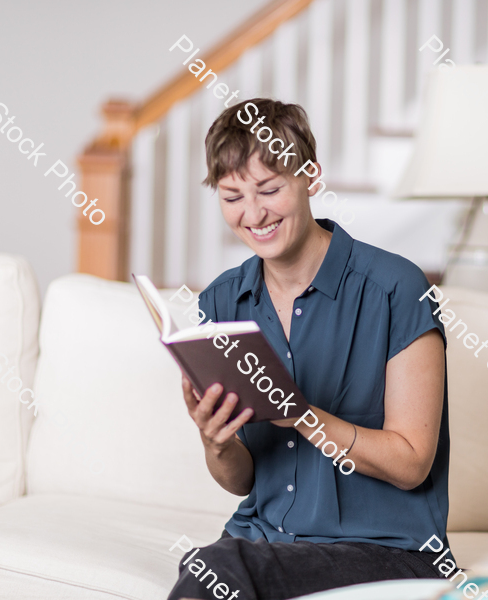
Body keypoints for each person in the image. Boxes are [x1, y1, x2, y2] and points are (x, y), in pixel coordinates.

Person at [167, 98, 453, 600]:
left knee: (220, 569)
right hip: (261, 540)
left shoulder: (396, 288)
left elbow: (411, 463)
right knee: (212, 569)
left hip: (390, 549)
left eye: (270, 189)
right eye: (232, 196)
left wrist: (299, 414)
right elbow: (242, 481)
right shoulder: (222, 300)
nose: (253, 214)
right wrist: (215, 441)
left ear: (310, 176)